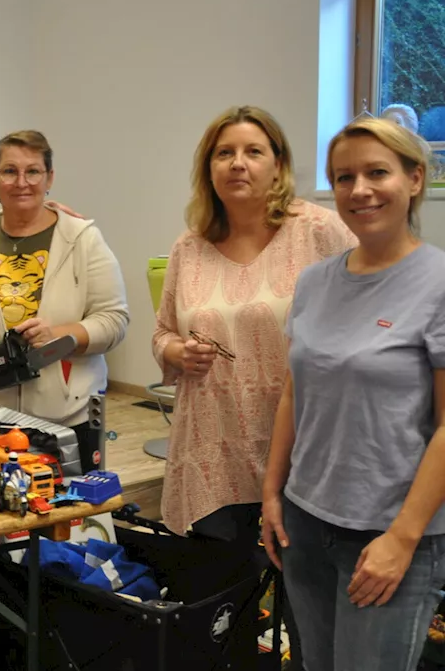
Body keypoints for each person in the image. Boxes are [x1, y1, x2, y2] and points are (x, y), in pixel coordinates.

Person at [262, 116, 445, 671]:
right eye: (344, 178)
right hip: (306, 522)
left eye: (377, 173)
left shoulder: (438, 282)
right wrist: (273, 493)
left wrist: (402, 538)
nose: (359, 190)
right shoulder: (316, 280)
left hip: (391, 533)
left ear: (415, 179)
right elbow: (295, 391)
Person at [152, 105, 354, 545]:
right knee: (222, 597)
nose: (238, 163)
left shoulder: (320, 231)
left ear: (278, 165)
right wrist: (177, 353)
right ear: (208, 168)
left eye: (254, 152)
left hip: (302, 446)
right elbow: (163, 332)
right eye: (224, 153)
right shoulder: (189, 246)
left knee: (303, 596)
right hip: (212, 449)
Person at [0, 130, 128, 470]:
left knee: (69, 518)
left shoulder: (84, 239)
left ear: (49, 178)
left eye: (33, 171)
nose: (22, 182)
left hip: (71, 417)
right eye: (9, 171)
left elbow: (114, 320)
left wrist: (59, 336)